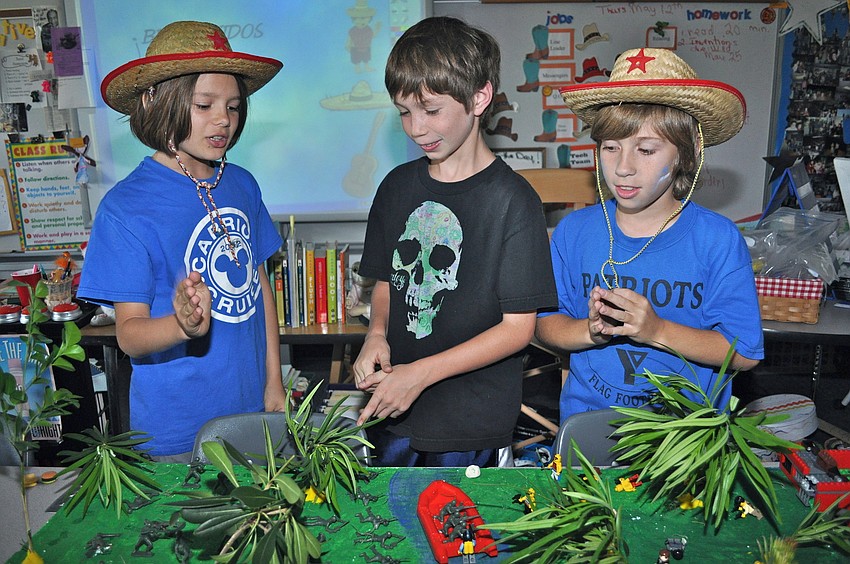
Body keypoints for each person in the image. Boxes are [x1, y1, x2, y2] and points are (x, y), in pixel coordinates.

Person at [352, 16, 557, 468]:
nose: (416, 128)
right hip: (392, 417)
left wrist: (420, 375)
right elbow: (386, 281)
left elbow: (517, 329)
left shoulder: (514, 201)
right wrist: (377, 334)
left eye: (430, 110)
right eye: (404, 112)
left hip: (471, 426)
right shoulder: (395, 188)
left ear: (479, 97)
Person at [78, 21, 286, 461]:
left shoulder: (242, 184)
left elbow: (260, 288)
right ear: (156, 102)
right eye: (204, 104)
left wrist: (275, 382)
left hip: (254, 416)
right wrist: (182, 326)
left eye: (233, 107)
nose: (223, 119)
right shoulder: (125, 208)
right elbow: (129, 335)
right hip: (177, 432)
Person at [537, 48, 763, 423]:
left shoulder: (717, 240)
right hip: (588, 427)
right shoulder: (574, 232)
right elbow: (547, 324)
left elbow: (744, 353)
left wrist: (657, 330)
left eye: (645, 149)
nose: (623, 167)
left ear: (686, 154)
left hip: (686, 434)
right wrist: (590, 331)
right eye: (610, 147)